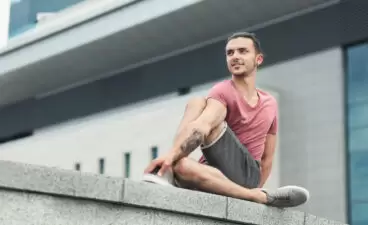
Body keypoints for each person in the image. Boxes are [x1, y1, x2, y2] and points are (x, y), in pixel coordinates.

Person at [143, 31, 309, 207]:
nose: (235, 57)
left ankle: (252, 194)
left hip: (246, 174)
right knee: (183, 160)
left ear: (258, 59)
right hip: (212, 176)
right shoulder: (222, 90)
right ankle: (253, 196)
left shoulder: (270, 103)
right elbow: (201, 126)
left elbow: (267, 158)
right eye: (230, 53)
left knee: (210, 119)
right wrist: (172, 159)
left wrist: (257, 186)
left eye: (242, 51)